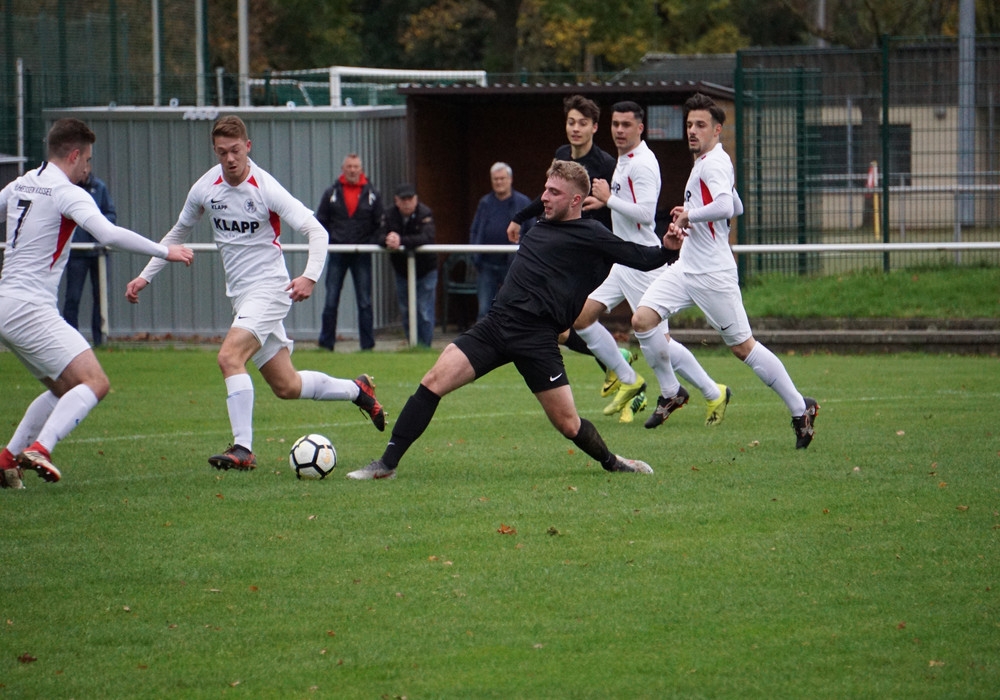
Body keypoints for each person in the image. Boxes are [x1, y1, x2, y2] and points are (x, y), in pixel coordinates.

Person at [346, 159, 678, 481]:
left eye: (554, 193)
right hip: (495, 325)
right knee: (433, 381)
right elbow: (536, 207)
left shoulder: (591, 234)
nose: (545, 197)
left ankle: (613, 462)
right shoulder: (543, 222)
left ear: (577, 200)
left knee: (568, 425)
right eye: (545, 189)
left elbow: (640, 257)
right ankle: (386, 464)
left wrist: (668, 249)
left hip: (536, 340)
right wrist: (520, 216)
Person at [125, 116, 386, 472]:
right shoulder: (205, 188)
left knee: (229, 357)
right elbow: (177, 234)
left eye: (235, 150)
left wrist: (309, 277)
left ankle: (243, 449)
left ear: (247, 147)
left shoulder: (264, 187)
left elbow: (317, 231)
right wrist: (145, 276)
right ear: (215, 152)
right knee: (287, 385)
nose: (230, 159)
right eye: (222, 153)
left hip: (270, 290)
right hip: (242, 297)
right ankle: (358, 390)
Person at [0, 118, 194, 489]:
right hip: (30, 309)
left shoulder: (23, 181)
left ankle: (7, 461)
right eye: (87, 160)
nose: (88, 169)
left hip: (6, 305)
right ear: (74, 155)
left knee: (64, 389)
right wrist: (163, 250)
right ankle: (41, 447)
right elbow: (107, 233)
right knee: (95, 382)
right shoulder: (65, 191)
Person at [631, 93, 819, 448]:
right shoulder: (707, 161)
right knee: (643, 320)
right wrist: (687, 220)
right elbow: (736, 204)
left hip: (713, 274)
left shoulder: (714, 162)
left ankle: (800, 407)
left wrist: (691, 215)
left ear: (717, 129)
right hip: (686, 267)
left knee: (743, 348)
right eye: (689, 125)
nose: (692, 131)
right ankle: (672, 391)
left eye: (700, 125)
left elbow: (723, 206)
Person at [577, 101, 731, 426]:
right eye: (615, 124)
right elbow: (626, 208)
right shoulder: (623, 160)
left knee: (660, 340)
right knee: (581, 318)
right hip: (624, 258)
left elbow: (647, 214)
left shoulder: (643, 163)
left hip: (643, 260)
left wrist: (608, 200)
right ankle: (627, 375)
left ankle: (708, 390)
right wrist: (604, 203)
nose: (619, 130)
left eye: (626, 125)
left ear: (640, 128)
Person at [316, 153, 383, 351]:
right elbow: (320, 221)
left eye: (356, 167)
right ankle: (326, 344)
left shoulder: (372, 194)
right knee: (331, 299)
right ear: (343, 169)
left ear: (360, 169)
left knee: (364, 301)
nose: (352, 170)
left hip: (361, 253)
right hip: (338, 251)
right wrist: (331, 240)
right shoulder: (331, 193)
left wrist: (370, 242)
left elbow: (380, 223)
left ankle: (367, 346)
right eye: (349, 167)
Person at [469, 162, 531, 321]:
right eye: (495, 179)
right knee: (484, 310)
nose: (498, 182)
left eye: (502, 178)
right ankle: (482, 345)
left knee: (515, 307)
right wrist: (475, 255)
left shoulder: (523, 203)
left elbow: (532, 231)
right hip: (486, 265)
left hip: (513, 265)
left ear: (510, 179)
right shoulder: (485, 203)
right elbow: (475, 230)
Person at [377, 183, 437, 347]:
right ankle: (412, 344)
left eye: (410, 199)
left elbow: (427, 237)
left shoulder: (425, 213)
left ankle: (425, 346)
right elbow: (378, 236)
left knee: (424, 310)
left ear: (416, 200)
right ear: (396, 201)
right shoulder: (389, 215)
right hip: (402, 270)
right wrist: (388, 240)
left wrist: (401, 241)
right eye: (403, 199)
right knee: (406, 309)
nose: (407, 203)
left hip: (426, 270)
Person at [62, 171, 116, 347]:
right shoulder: (69, 191)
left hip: (98, 252)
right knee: (73, 297)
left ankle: (100, 340)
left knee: (100, 298)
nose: (84, 170)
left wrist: (96, 225)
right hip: (77, 252)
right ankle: (71, 342)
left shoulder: (99, 187)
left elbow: (110, 214)